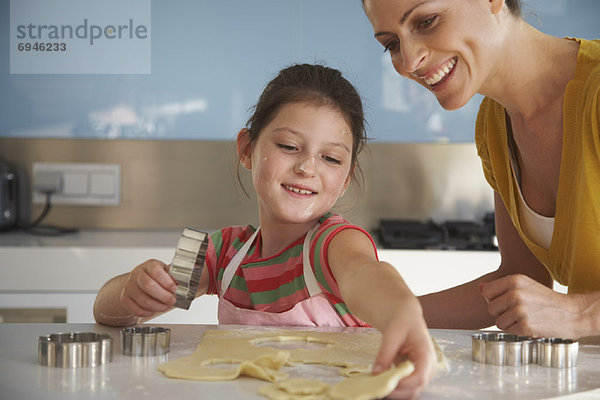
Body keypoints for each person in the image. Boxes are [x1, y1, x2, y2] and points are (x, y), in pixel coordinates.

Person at [94, 64, 436, 398]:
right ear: (247, 148)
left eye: (331, 159)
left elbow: (365, 273)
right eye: (288, 146)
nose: (306, 168)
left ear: (346, 179)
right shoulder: (224, 252)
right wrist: (132, 291)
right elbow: (106, 311)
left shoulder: (333, 244)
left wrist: (399, 311)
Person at [362, 0, 600, 339]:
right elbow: (520, 279)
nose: (409, 61)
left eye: (427, 21)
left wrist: (580, 314)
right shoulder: (493, 124)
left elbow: (572, 312)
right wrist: (373, 316)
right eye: (392, 44)